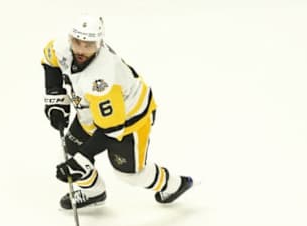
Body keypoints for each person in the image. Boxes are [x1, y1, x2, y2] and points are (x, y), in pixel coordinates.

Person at [41, 14, 193, 209]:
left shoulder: (103, 79)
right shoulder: (60, 47)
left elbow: (111, 129)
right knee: (71, 149)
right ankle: (93, 193)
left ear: (99, 43)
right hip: (92, 110)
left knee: (130, 175)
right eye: (78, 42)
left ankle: (174, 185)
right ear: (70, 38)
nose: (81, 49)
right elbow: (50, 63)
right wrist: (56, 100)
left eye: (88, 44)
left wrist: (83, 159)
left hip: (130, 119)